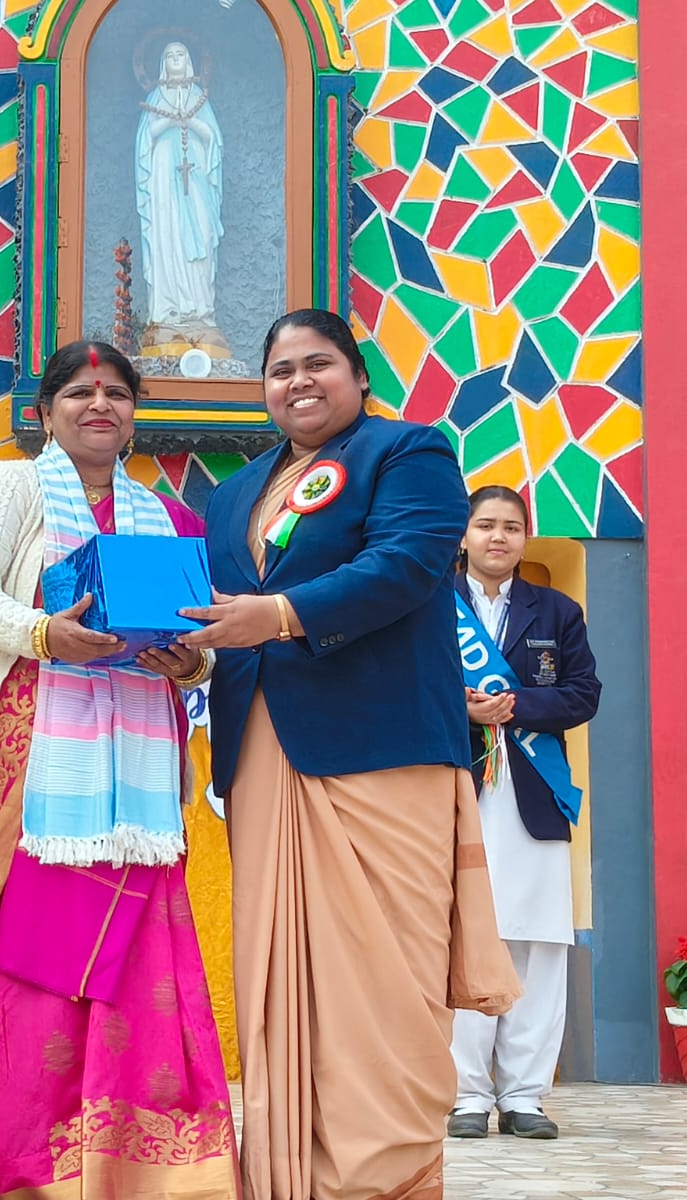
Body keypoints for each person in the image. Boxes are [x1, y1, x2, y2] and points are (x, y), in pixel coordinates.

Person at [180, 309, 519, 1200]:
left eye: (318, 363)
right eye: (280, 369)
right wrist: (188, 653)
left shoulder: (407, 452)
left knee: (387, 983)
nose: (298, 381)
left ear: (359, 376)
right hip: (265, 753)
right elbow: (221, 613)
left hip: (383, 747)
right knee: (283, 983)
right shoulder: (232, 494)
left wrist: (281, 616)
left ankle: (384, 1179)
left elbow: (406, 564)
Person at [0, 340, 238, 1199]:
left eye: (116, 394)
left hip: (136, 786)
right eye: (78, 392)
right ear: (45, 412)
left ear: (136, 413)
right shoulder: (11, 488)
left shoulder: (169, 517)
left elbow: (203, 632)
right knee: (23, 966)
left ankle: (141, 1172)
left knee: (141, 967)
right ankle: (23, 1172)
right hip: (27, 761)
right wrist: (44, 632)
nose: (98, 405)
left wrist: (190, 663)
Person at [447, 486, 601, 1141]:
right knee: (462, 937)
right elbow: (405, 690)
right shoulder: (429, 607)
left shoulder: (557, 611)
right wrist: (463, 707)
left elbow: (583, 693)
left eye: (511, 527)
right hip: (457, 793)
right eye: (485, 525)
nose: (498, 537)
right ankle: (465, 1095)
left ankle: (524, 1097)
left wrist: (514, 708)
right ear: (463, 534)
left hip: (535, 794)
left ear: (525, 537)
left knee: (537, 943)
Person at [136, 40, 224, 342]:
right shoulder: (155, 97)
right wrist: (168, 122)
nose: (175, 60)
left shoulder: (199, 97)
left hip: (196, 179)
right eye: (170, 56)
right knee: (167, 234)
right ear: (163, 64)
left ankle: (200, 309)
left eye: (180, 55)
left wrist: (193, 123)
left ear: (189, 62)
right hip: (163, 180)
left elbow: (213, 140)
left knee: (202, 232)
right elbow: (144, 141)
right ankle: (167, 310)